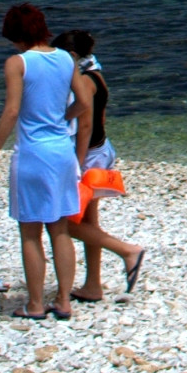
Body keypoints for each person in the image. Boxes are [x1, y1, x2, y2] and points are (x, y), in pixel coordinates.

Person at [0, 3, 92, 320]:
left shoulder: (17, 63)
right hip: (61, 151)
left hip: (32, 153)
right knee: (59, 228)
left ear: (16, 36)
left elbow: (12, 111)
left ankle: (34, 304)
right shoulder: (66, 58)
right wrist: (62, 117)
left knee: (30, 232)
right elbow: (83, 102)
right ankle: (63, 301)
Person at [54, 30, 144, 299]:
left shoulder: (84, 81)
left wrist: (76, 166)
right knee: (89, 221)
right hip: (100, 151)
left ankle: (127, 250)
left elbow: (85, 125)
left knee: (60, 222)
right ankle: (92, 284)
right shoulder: (96, 74)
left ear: (71, 56)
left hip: (88, 155)